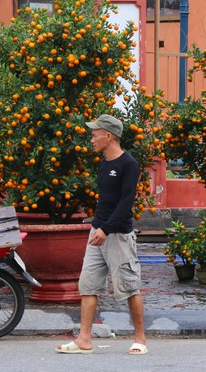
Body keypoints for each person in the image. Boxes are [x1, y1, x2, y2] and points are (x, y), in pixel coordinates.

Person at [56, 113, 148, 356]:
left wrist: (106, 229)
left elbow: (126, 202)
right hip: (97, 233)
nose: (91, 138)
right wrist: (98, 227)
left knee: (129, 288)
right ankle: (84, 339)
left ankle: (140, 339)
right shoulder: (104, 164)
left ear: (109, 136)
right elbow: (106, 201)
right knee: (88, 286)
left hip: (117, 235)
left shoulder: (129, 164)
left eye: (95, 134)